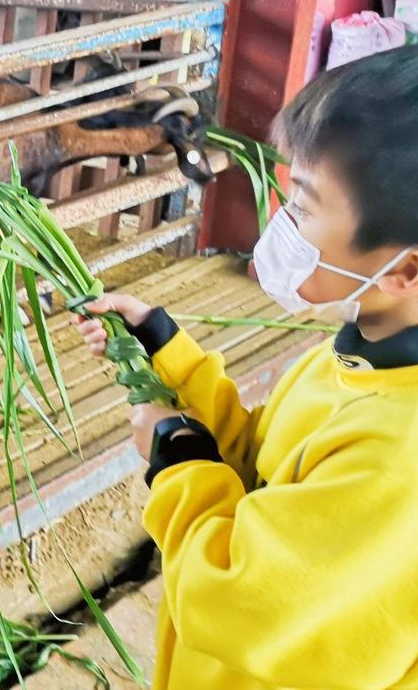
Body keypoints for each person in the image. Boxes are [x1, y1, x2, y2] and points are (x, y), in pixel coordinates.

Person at [75, 46, 418, 689]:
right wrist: (165, 351)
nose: (282, 223)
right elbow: (264, 469)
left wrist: (176, 461)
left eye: (307, 206)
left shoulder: (400, 457)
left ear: (404, 269)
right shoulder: (357, 353)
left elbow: (239, 602)